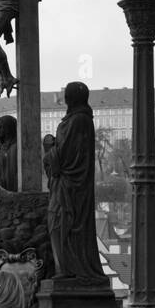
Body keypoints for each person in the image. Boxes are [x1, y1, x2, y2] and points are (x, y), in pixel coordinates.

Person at [47, 81, 107, 283]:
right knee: (57, 224)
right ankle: (65, 267)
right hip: (66, 184)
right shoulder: (77, 119)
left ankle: (69, 268)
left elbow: (65, 155)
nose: (64, 98)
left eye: (67, 94)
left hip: (71, 186)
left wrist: (49, 150)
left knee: (60, 224)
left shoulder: (78, 120)